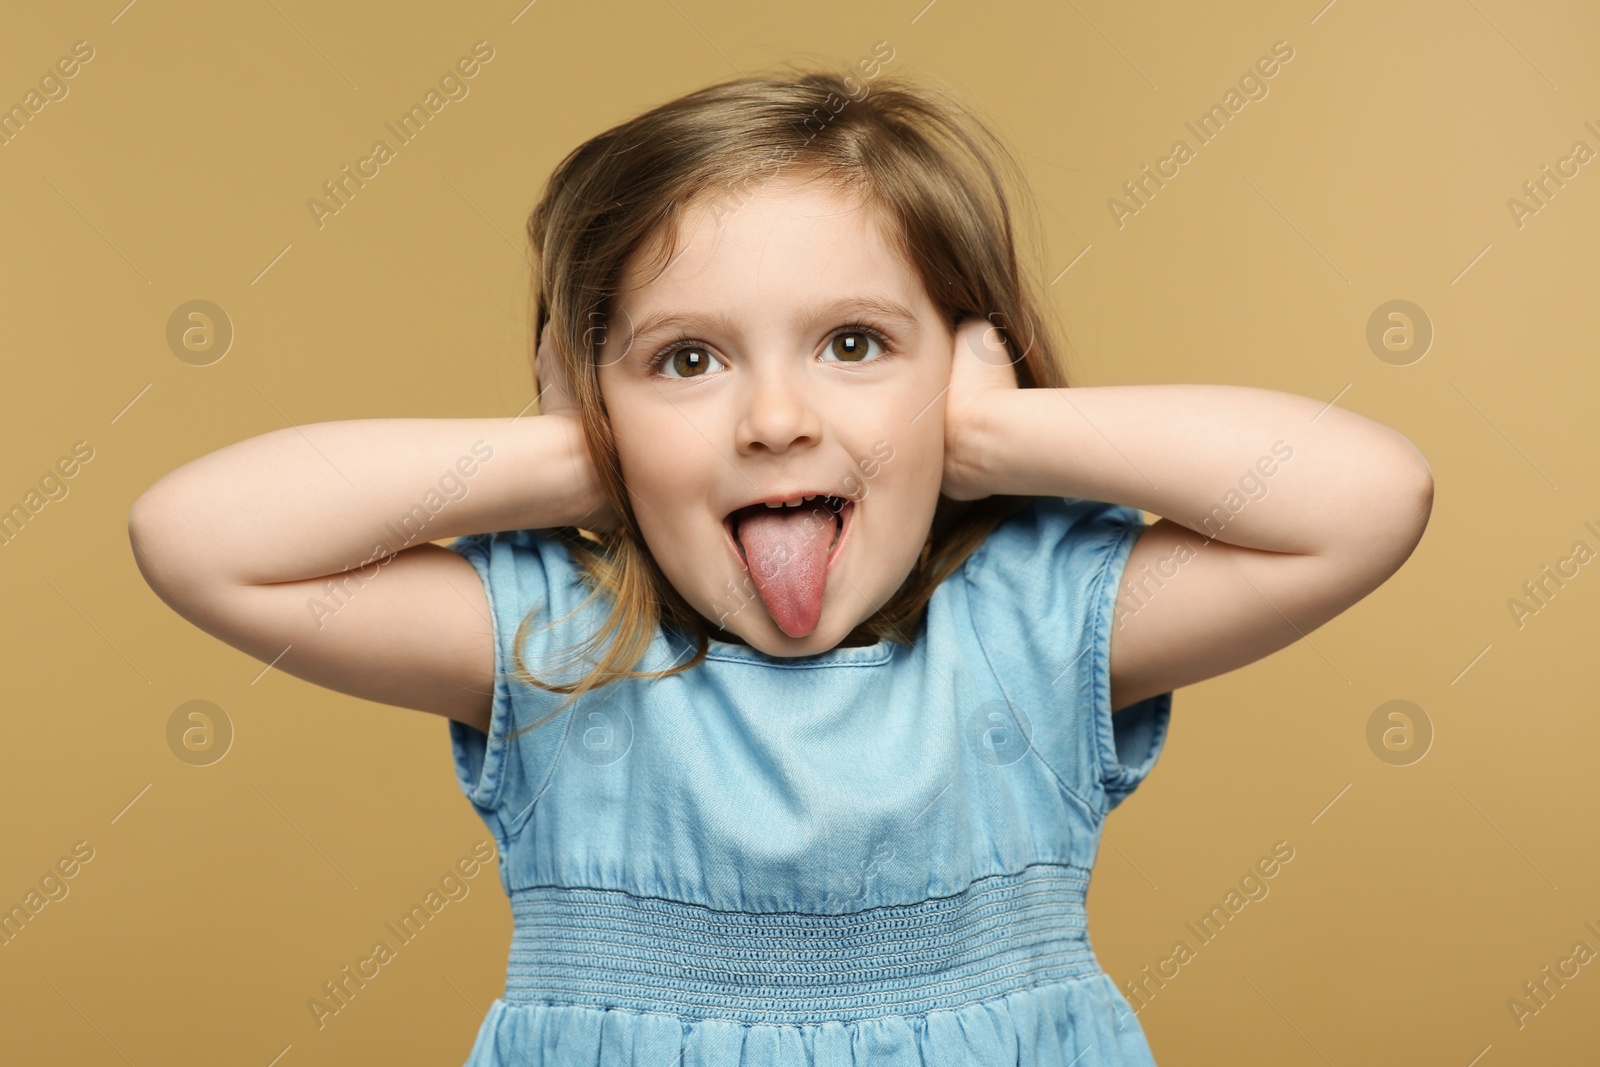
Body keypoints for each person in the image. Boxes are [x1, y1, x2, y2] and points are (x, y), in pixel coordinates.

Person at [127, 66, 1433, 1066]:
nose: (774, 420)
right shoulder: (557, 643)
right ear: (594, 400)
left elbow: (1367, 498)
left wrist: (998, 430)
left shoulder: (1034, 630)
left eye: (856, 345)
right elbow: (199, 537)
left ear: (969, 366)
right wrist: (565, 458)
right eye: (684, 361)